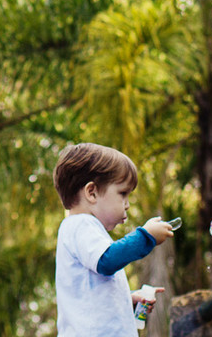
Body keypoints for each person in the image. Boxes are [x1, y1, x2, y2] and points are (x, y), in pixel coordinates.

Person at [52, 142, 174, 337]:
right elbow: (108, 261)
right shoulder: (80, 225)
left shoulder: (86, 230)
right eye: (122, 194)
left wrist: (127, 301)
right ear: (91, 193)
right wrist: (146, 236)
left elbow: (95, 294)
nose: (127, 205)